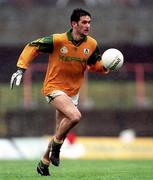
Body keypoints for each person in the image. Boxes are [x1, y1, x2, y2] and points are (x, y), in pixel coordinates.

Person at [10, 8, 110, 176]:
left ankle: (44, 163)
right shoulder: (57, 40)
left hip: (73, 92)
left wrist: (107, 65)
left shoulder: (91, 44)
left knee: (60, 132)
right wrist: (21, 69)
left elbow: (95, 65)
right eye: (84, 22)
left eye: (89, 22)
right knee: (75, 116)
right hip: (53, 87)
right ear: (74, 24)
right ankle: (56, 148)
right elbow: (32, 46)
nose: (88, 26)